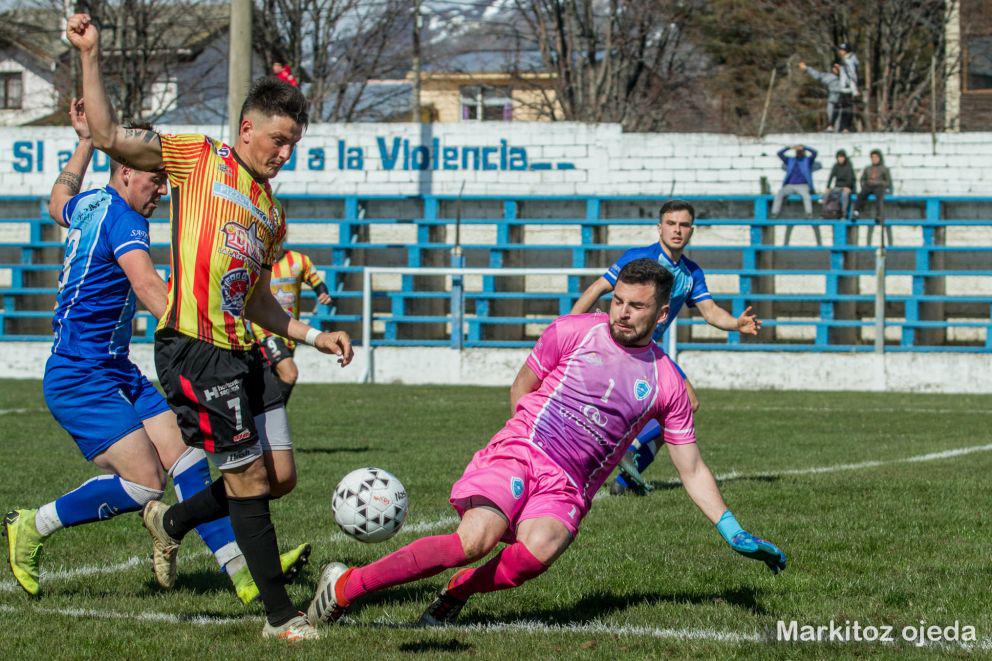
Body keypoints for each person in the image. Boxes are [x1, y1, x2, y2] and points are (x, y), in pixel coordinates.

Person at [68, 13, 353, 641]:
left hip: (244, 347)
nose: (284, 154)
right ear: (246, 128)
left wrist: (310, 336)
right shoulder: (198, 158)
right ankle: (282, 617)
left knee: (279, 478)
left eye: (293, 146)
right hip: (195, 350)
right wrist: (91, 54)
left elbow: (254, 299)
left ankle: (172, 525)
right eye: (277, 140)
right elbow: (112, 133)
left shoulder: (272, 215)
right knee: (248, 478)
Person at [304, 259, 787, 629]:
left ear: (662, 314)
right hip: (524, 450)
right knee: (476, 540)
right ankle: (345, 585)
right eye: (618, 300)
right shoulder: (573, 331)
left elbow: (692, 469)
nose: (622, 312)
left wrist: (730, 527)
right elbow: (522, 386)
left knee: (531, 559)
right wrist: (521, 442)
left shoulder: (666, 382)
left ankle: (455, 594)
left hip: (569, 486)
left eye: (636, 306)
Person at [2, 99, 309, 604]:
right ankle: (32, 525)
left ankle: (243, 572)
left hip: (114, 368)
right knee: (146, 485)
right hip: (80, 376)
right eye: (153, 178)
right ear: (128, 171)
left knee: (188, 460)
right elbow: (147, 286)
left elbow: (57, 198)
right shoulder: (126, 222)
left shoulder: (92, 205)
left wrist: (82, 141)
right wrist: (201, 323)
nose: (162, 188)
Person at [569, 200, 761, 495]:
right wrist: (567, 325)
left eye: (683, 225)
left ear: (691, 231)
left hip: (650, 350)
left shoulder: (691, 273)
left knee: (679, 409)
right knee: (680, 404)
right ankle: (625, 447)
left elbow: (709, 312)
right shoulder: (639, 258)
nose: (677, 230)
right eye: (671, 224)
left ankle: (624, 481)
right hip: (622, 343)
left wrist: (736, 324)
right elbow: (599, 288)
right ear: (660, 227)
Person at [250, 246, 333, 405]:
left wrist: (322, 293)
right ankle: (276, 419)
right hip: (264, 330)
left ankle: (266, 419)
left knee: (273, 382)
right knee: (290, 373)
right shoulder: (256, 261)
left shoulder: (299, 261)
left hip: (289, 331)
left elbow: (317, 283)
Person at [771, 144, 821, 246]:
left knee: (806, 196)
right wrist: (789, 147)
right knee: (780, 193)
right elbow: (779, 154)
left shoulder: (807, 160)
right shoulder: (791, 160)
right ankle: (774, 213)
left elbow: (815, 153)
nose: (799, 153)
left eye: (800, 151)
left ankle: (808, 214)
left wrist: (805, 147)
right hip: (790, 185)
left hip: (803, 185)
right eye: (797, 151)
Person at [853, 149, 894, 245]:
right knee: (861, 194)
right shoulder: (867, 169)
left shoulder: (884, 169)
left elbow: (888, 182)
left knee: (879, 196)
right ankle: (856, 212)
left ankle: (879, 215)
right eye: (872, 157)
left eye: (876, 157)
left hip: (879, 187)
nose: (874, 159)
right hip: (868, 186)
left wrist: (877, 183)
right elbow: (862, 179)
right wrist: (864, 184)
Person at [799, 61, 843, 131]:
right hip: (835, 102)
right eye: (835, 67)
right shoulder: (831, 77)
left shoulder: (847, 77)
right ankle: (831, 125)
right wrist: (807, 69)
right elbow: (818, 75)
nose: (836, 69)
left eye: (838, 67)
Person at [825, 149, 856, 219]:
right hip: (837, 187)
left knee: (844, 195)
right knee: (826, 194)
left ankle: (843, 214)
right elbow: (831, 176)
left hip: (846, 187)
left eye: (842, 157)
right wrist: (828, 187)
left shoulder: (848, 166)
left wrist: (847, 187)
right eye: (839, 157)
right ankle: (825, 212)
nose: (840, 159)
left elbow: (850, 178)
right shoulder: (836, 166)